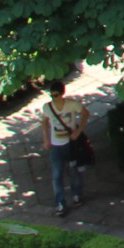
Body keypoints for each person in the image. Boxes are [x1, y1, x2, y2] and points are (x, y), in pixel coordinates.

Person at [40, 78, 87, 217]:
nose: (54, 98)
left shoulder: (72, 105)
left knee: (74, 171)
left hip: (71, 144)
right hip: (56, 145)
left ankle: (77, 195)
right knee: (57, 175)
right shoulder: (47, 107)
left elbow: (85, 113)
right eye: (52, 95)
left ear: (62, 94)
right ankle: (60, 202)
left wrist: (78, 132)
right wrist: (46, 139)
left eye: (56, 95)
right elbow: (44, 122)